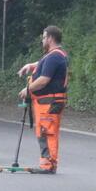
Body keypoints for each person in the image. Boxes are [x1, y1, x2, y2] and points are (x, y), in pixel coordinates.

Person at [17, 25, 69, 174]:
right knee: (44, 131)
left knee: (47, 132)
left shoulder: (55, 56)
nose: (42, 40)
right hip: (46, 102)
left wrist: (27, 89)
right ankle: (47, 163)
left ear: (51, 38)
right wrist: (31, 66)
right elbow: (44, 65)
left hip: (49, 102)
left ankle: (48, 165)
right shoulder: (55, 55)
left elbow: (44, 79)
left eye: (44, 37)